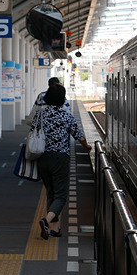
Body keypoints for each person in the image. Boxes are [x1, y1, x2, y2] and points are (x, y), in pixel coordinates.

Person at [36, 84, 92, 239]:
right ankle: (46, 222)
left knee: (51, 192)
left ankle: (54, 229)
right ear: (62, 99)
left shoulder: (40, 114)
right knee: (61, 195)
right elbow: (78, 135)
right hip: (60, 158)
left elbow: (32, 132)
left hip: (42, 157)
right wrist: (86, 146)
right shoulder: (65, 115)